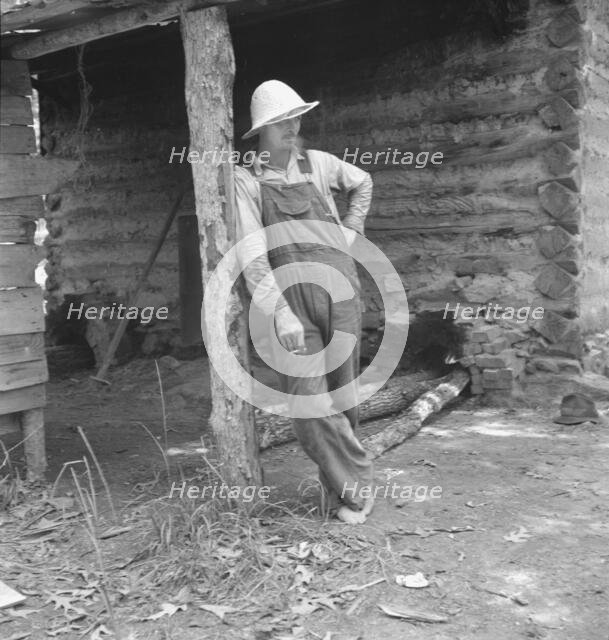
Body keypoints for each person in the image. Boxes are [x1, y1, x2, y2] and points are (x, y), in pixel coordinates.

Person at [234, 80, 375, 524]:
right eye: (280, 123)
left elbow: (363, 181)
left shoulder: (318, 164)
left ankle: (340, 498)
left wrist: (351, 229)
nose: (291, 128)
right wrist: (280, 312)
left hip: (341, 292)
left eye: (295, 118)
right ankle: (361, 480)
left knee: (344, 398)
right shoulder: (247, 180)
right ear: (260, 132)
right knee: (308, 405)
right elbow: (253, 255)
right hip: (291, 304)